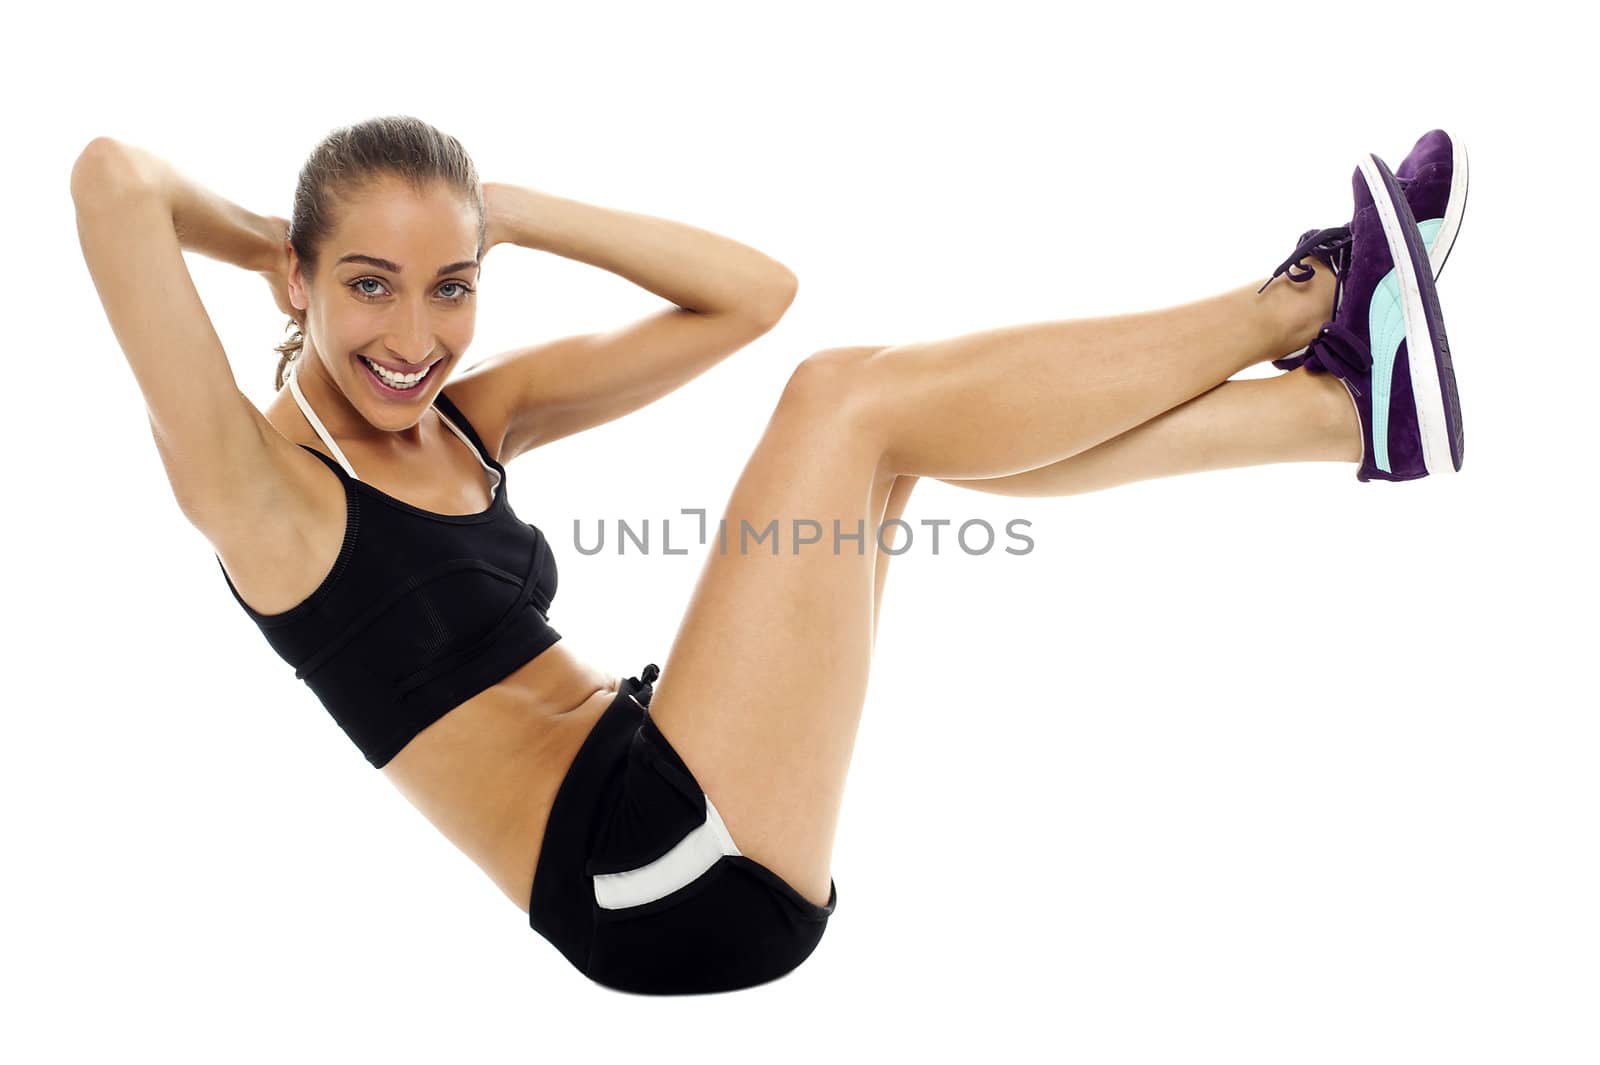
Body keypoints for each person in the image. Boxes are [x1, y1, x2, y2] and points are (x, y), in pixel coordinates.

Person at [70, 116, 1467, 996]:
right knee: (845, 403)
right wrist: (275, 243)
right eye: (368, 284)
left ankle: (1338, 409)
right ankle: (1314, 299)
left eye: (453, 285)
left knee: (890, 427)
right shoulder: (260, 490)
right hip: (653, 875)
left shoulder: (465, 424)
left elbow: (748, 293)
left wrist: (502, 203)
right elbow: (113, 176)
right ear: (306, 283)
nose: (415, 335)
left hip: (666, 778)